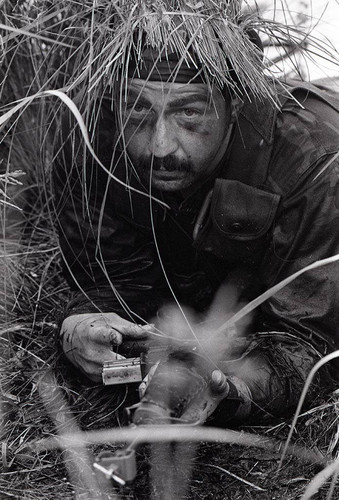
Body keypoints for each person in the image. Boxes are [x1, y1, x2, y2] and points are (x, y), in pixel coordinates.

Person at [52, 0, 339, 425]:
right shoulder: (87, 138)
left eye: (189, 112)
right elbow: (109, 278)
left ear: (235, 104)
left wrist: (235, 390)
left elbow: (312, 344)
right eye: (138, 109)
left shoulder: (312, 163)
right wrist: (79, 325)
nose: (160, 146)